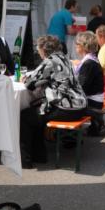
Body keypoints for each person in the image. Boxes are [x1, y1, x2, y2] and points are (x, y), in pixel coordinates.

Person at [19, 35, 87, 168]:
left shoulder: (50, 61)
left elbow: (29, 83)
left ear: (43, 49)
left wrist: (24, 79)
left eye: (38, 48)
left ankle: (26, 160)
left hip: (67, 109)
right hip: (80, 107)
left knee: (25, 116)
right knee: (36, 113)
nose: (37, 51)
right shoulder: (64, 58)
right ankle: (39, 156)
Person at [74, 31, 105, 135]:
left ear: (83, 46)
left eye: (77, 44)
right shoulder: (91, 59)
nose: (75, 45)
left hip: (93, 101)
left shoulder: (88, 63)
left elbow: (81, 87)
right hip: (96, 98)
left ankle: (68, 135)